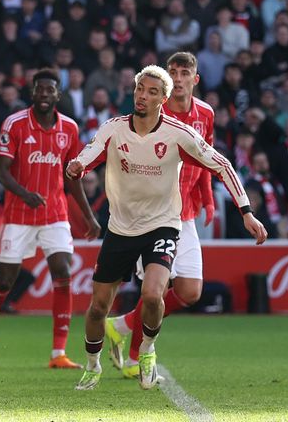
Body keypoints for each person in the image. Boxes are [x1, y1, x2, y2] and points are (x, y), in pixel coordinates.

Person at [67, 65, 266, 391]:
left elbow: (222, 164)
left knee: (153, 294)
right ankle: (92, 365)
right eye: (140, 90)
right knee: (97, 308)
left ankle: (145, 350)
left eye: (152, 92)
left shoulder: (178, 133)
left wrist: (246, 211)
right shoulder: (114, 128)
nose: (143, 96)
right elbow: (87, 154)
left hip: (163, 226)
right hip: (120, 229)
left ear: (163, 99)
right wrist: (78, 164)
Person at [0, 69, 101, 370]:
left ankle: (58, 354)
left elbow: (73, 178)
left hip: (55, 214)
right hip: (19, 215)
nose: (44, 94)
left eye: (49, 90)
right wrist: (25, 194)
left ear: (57, 95)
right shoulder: (14, 124)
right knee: (4, 282)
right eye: (39, 89)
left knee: (63, 273)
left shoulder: (69, 128)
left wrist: (89, 216)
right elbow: (2, 171)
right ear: (32, 93)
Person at [104, 52, 217, 379]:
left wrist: (207, 198)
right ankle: (137, 357)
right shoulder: (152, 111)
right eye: (173, 72)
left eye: (185, 73)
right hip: (151, 216)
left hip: (185, 214)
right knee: (155, 289)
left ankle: (122, 325)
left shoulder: (206, 114)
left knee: (191, 292)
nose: (178, 77)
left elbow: (206, 159)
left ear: (194, 80)